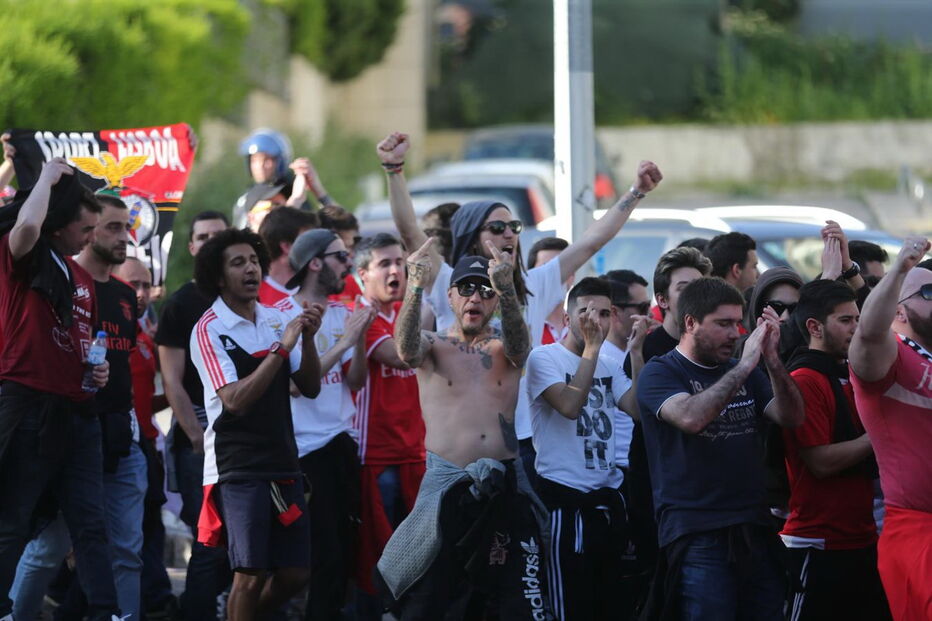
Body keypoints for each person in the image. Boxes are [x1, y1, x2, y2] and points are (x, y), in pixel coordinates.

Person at [379, 239, 549, 620]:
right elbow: (405, 350)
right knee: (433, 600)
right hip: (447, 486)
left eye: (486, 291)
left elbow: (521, 349)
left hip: (503, 485)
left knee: (511, 600)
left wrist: (507, 288)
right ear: (451, 296)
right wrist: (415, 285)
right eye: (467, 288)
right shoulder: (433, 344)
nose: (476, 297)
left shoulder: (506, 347)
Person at [637, 277, 804, 619]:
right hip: (698, 531)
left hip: (754, 525)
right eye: (723, 324)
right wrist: (745, 364)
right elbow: (691, 418)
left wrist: (772, 361)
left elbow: (792, 417)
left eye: (738, 324)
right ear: (690, 323)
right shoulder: (661, 371)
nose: (735, 334)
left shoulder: (744, 371)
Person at [0, 158, 118, 621]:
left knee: (91, 523)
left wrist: (95, 369)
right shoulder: (22, 254)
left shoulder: (77, 275)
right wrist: (47, 178)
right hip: (29, 402)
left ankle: (106, 613)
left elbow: (80, 339)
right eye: (85, 228)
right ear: (57, 224)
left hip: (79, 411)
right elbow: (27, 225)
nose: (91, 238)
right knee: (13, 519)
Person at [190, 228, 323, 621]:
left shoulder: (277, 317)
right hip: (238, 467)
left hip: (283, 460)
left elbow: (310, 387)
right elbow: (235, 401)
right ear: (218, 277)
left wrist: (308, 339)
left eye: (253, 261)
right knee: (249, 573)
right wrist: (282, 347)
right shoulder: (209, 329)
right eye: (238, 263)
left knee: (296, 572)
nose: (250, 269)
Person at [526, 277, 646, 620]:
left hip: (607, 500)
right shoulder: (544, 358)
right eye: (587, 312)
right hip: (566, 502)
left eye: (605, 314)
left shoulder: (609, 364)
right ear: (567, 319)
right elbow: (569, 406)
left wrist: (636, 354)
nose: (596, 321)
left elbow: (637, 410)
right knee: (571, 607)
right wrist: (592, 350)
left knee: (612, 607)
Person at [273, 229, 376, 620]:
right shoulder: (281, 314)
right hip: (305, 451)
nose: (348, 264)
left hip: (342, 442)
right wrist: (345, 342)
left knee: (345, 551)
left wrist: (359, 338)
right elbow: (297, 387)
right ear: (315, 262)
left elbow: (355, 382)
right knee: (321, 554)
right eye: (341, 256)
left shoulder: (341, 312)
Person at [781, 279, 891, 620]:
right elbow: (820, 461)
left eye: (858, 319)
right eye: (845, 320)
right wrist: (881, 432)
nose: (856, 328)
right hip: (817, 541)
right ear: (814, 327)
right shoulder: (804, 378)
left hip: (862, 536)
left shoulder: (853, 372)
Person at [848, 236, 932, 620]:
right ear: (898, 311)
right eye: (928, 292)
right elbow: (868, 331)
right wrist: (899, 269)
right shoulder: (889, 357)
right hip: (919, 530)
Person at [155, 209, 232, 621]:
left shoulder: (248, 298)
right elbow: (173, 382)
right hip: (199, 437)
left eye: (218, 236)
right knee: (207, 540)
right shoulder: (181, 304)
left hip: (244, 434)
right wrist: (199, 439)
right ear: (191, 247)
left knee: (243, 541)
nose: (211, 244)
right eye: (203, 238)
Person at [621, 247, 711, 575]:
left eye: (700, 287)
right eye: (684, 288)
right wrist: (636, 355)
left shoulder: (716, 347)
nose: (696, 296)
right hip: (654, 485)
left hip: (707, 488)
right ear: (662, 299)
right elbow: (637, 410)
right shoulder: (645, 347)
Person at [350, 233, 426, 618]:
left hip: (416, 452)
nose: (396, 270)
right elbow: (402, 356)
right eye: (384, 264)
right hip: (376, 455)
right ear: (362, 273)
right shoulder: (360, 316)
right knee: (378, 555)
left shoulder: (405, 313)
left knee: (418, 553)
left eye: (400, 262)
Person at [115, 256, 178, 620]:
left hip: (147, 446)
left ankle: (154, 601)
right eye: (132, 284)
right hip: (114, 448)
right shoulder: (104, 331)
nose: (140, 293)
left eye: (145, 285)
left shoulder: (144, 338)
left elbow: (147, 400)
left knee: (149, 528)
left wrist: (174, 393)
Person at [257, 206, 319, 305]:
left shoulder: (325, 286)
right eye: (309, 240)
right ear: (287, 246)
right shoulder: (252, 295)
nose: (318, 246)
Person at [318, 205, 365, 305]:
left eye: (353, 247)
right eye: (343, 251)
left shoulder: (348, 281)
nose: (351, 255)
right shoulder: (297, 289)